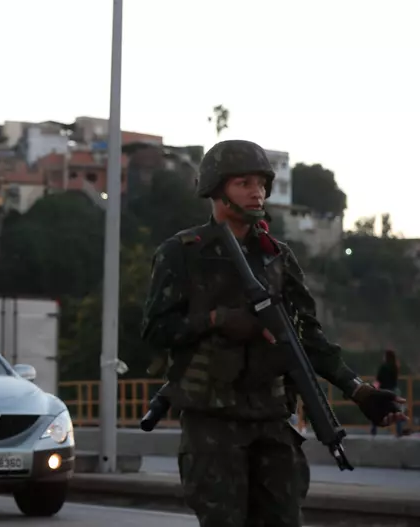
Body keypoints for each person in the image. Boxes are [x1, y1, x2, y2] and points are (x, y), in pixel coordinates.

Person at [140, 139, 408, 527]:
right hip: (213, 420)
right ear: (217, 189)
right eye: (243, 183)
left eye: (261, 183)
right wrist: (217, 319)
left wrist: (358, 390)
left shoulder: (277, 256)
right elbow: (156, 329)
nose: (257, 192)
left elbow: (308, 338)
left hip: (271, 417)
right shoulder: (182, 253)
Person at [372, 349, 404, 437]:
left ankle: (373, 430)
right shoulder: (395, 367)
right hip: (393, 390)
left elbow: (379, 379)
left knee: (377, 410)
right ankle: (399, 431)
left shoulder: (383, 367)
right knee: (396, 410)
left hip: (383, 391)